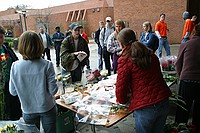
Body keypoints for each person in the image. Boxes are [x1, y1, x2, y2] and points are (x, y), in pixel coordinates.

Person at [116, 28, 172, 133]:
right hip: (163, 101)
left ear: (122, 44)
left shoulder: (125, 60)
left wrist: (122, 101)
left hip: (145, 107)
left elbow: (121, 87)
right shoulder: (150, 54)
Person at [9, 31, 58, 133]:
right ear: (39, 45)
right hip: (47, 108)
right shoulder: (47, 64)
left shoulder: (15, 66)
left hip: (28, 109)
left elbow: (13, 92)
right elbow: (53, 91)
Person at [175, 23, 200, 132]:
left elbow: (178, 64)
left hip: (187, 80)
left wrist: (181, 76)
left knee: (183, 108)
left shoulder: (186, 44)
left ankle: (180, 128)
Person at [0, 25, 21, 120]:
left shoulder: (6, 48)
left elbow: (16, 62)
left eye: (1, 37)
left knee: (13, 110)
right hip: (1, 89)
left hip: (10, 84)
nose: (0, 39)